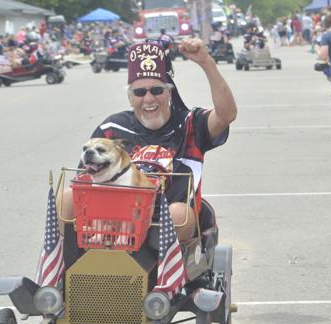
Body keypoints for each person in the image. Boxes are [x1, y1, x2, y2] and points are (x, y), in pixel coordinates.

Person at [61, 40, 236, 242]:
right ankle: (65, 267)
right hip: (114, 219)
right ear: (130, 97)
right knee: (67, 197)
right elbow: (84, 181)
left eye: (157, 90)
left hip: (165, 223)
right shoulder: (112, 128)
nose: (149, 99)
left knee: (179, 214)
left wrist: (207, 63)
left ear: (169, 93)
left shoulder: (190, 124)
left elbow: (226, 115)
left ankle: (164, 271)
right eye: (140, 92)